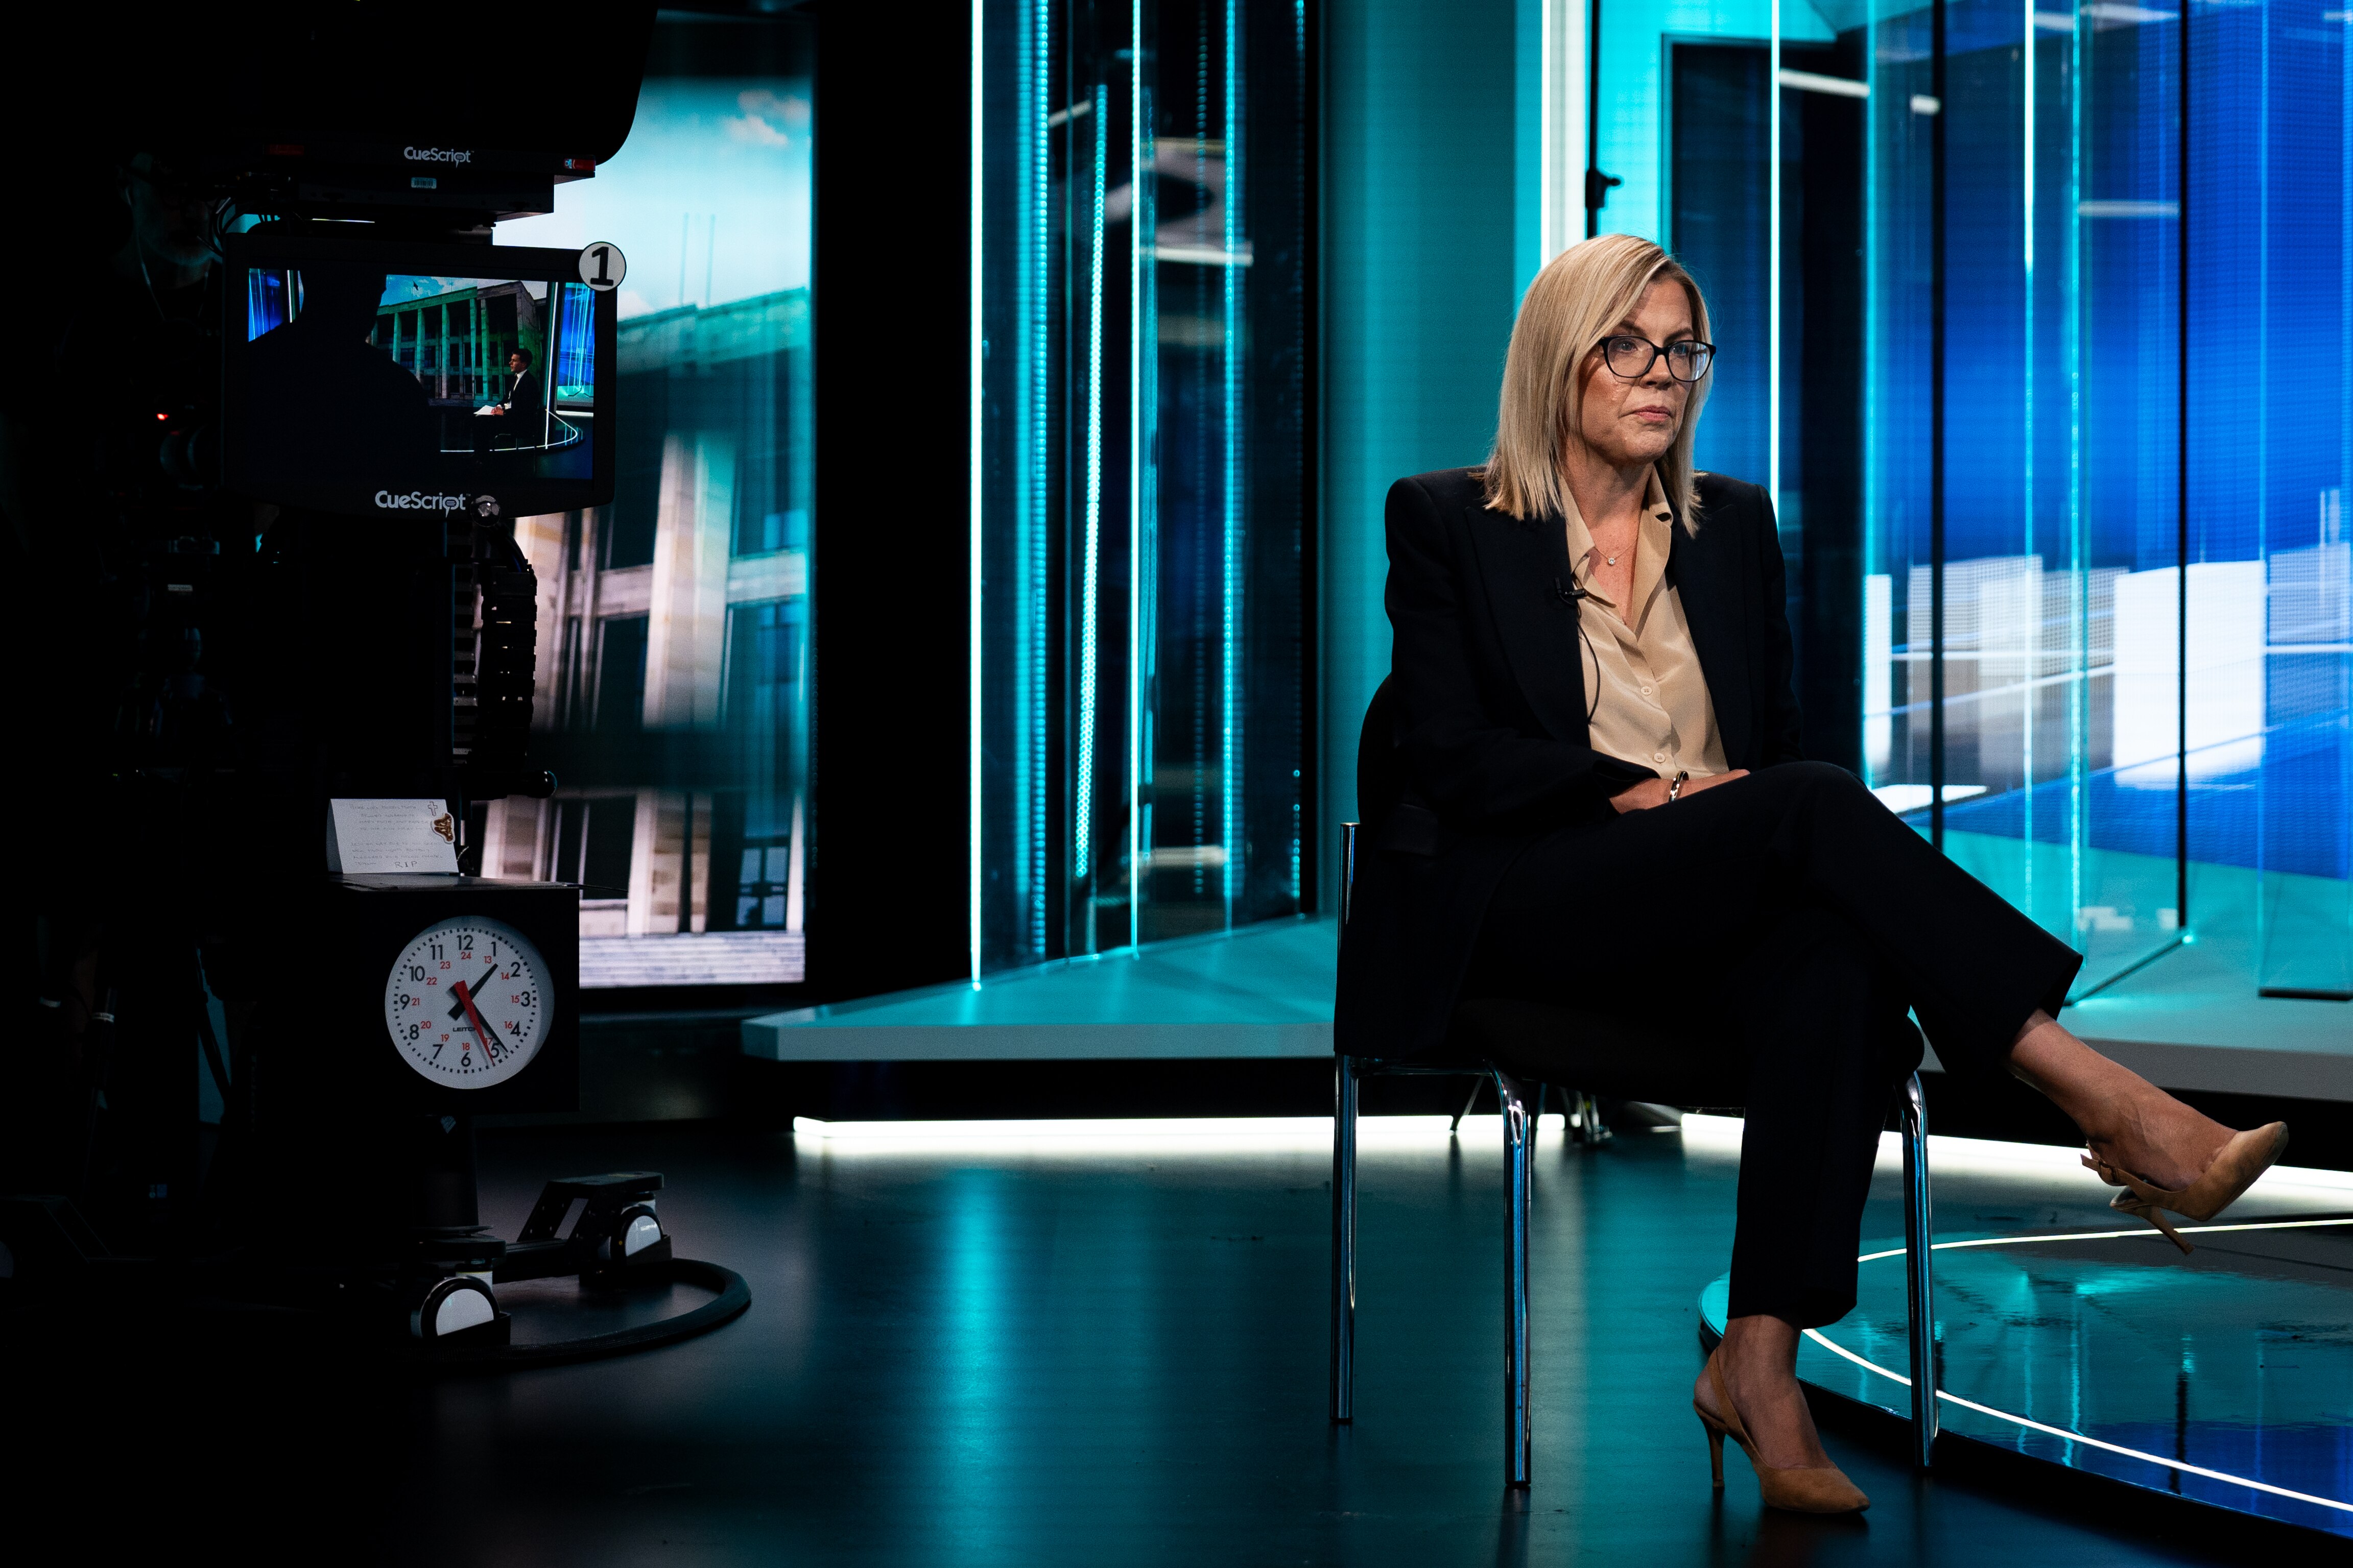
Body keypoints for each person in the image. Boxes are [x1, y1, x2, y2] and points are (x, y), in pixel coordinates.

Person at [1332, 233, 2288, 1515]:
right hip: (1524, 902)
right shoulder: (1449, 518)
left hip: (1695, 906)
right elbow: (1449, 755)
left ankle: (1759, 1365)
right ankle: (2103, 1098)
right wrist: (1644, 791)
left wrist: (1717, 815)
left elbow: (1769, 755)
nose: (1661, 374)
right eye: (1627, 347)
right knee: (1816, 803)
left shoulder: (1731, 529)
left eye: (1683, 349)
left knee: (1837, 967)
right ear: (1559, 359)